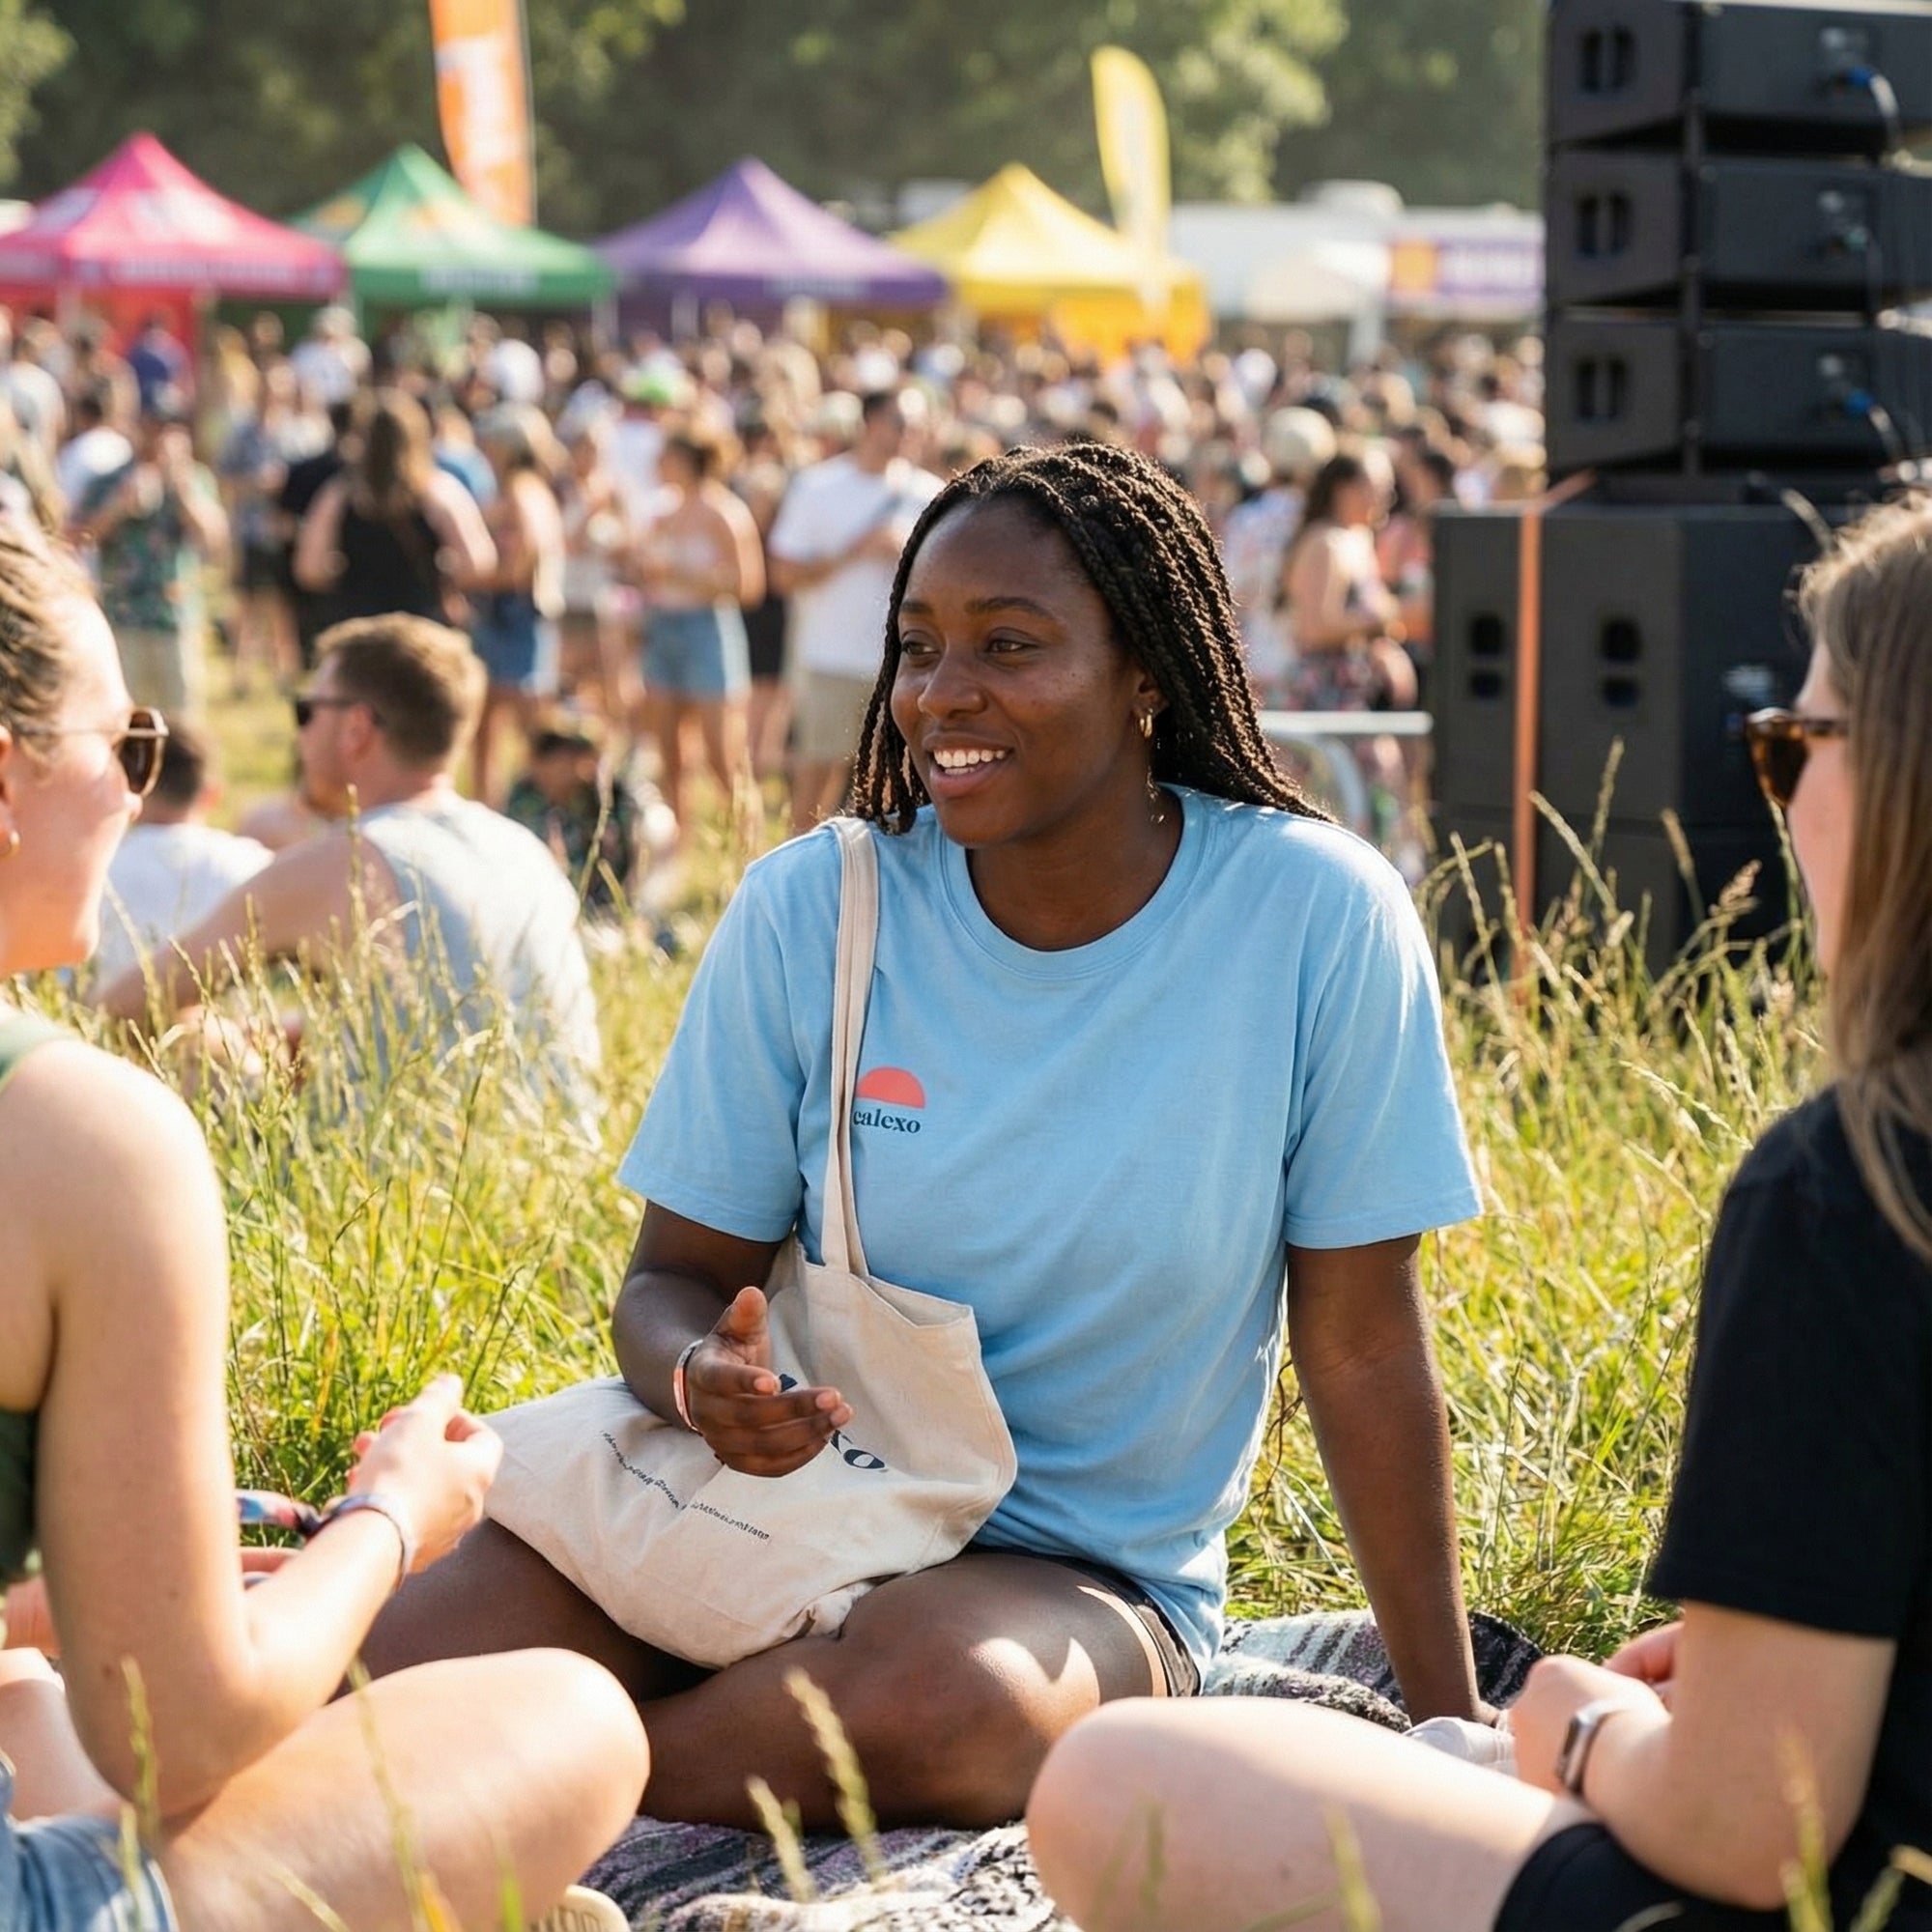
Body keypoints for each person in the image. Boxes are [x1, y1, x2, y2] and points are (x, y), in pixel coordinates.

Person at [357, 441, 1487, 1834]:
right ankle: (526, 1774)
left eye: (1010, 646)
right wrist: (702, 1378)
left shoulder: (1316, 916)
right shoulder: (809, 909)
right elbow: (670, 1284)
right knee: (383, 1664)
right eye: (917, 645)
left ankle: (534, 1787)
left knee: (953, 1716)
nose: (944, 694)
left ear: (1149, 677)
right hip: (776, 1509)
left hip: (1078, 1574)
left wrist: (1449, 1719)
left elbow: (1366, 1342)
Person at [1026, 495, 1932, 1932]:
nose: (1777, 789)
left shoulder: (1853, 1187)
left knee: (1120, 1782)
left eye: (1790, 747)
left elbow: (1755, 1830)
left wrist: (1570, 1724)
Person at [0, 517, 646, 1930]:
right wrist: (391, 1516)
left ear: (353, 731)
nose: (135, 794)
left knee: (28, 1686)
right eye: (129, 749)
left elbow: (140, 1002)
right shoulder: (77, 1142)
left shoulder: (335, 867)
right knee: (571, 1718)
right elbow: (182, 1731)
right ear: (7, 775)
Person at [94, 613, 603, 1127]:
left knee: (192, 1033)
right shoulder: (520, 847)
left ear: (356, 728)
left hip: (409, 1185)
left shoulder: (346, 862)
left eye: (307, 711)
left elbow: (119, 1008)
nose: (300, 733)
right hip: (551, 1162)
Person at [767, 388, 941, 835]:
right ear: (870, 423)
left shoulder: (930, 492)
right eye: (902, 423)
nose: (913, 435)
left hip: (905, 666)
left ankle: (881, 884)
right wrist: (855, 551)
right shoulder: (818, 486)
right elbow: (783, 574)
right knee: (815, 783)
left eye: (920, 425)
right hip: (832, 659)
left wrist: (909, 556)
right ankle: (798, 888)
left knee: (897, 788)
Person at [632, 423, 763, 846]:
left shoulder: (725, 512)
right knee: (669, 750)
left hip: (707, 631)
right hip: (664, 627)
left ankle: (749, 842)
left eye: (666, 455)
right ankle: (679, 844)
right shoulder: (664, 511)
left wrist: (682, 575)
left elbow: (748, 586)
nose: (657, 464)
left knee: (721, 753)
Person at [292, 388, 495, 636]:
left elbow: (309, 569)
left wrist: (345, 572)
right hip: (422, 629)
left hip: (359, 629)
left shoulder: (340, 494)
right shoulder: (439, 492)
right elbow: (477, 565)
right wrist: (442, 572)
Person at [71, 402, 227, 718]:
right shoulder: (110, 480)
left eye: (169, 429)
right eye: (154, 426)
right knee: (126, 718)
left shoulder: (193, 480)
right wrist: (118, 507)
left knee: (181, 719)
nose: (159, 437)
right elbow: (79, 537)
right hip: (123, 615)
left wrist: (183, 490)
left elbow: (215, 542)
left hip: (174, 616)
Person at [92, 717, 270, 984]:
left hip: (108, 1018)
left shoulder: (98, 871)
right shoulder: (254, 866)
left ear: (134, 786)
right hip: (233, 1024)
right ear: (213, 794)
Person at [469, 405, 566, 804]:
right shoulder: (533, 488)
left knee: (519, 725)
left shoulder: (518, 491)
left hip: (511, 613)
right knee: (494, 723)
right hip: (522, 614)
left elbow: (521, 561)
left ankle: (537, 806)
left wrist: (474, 575)